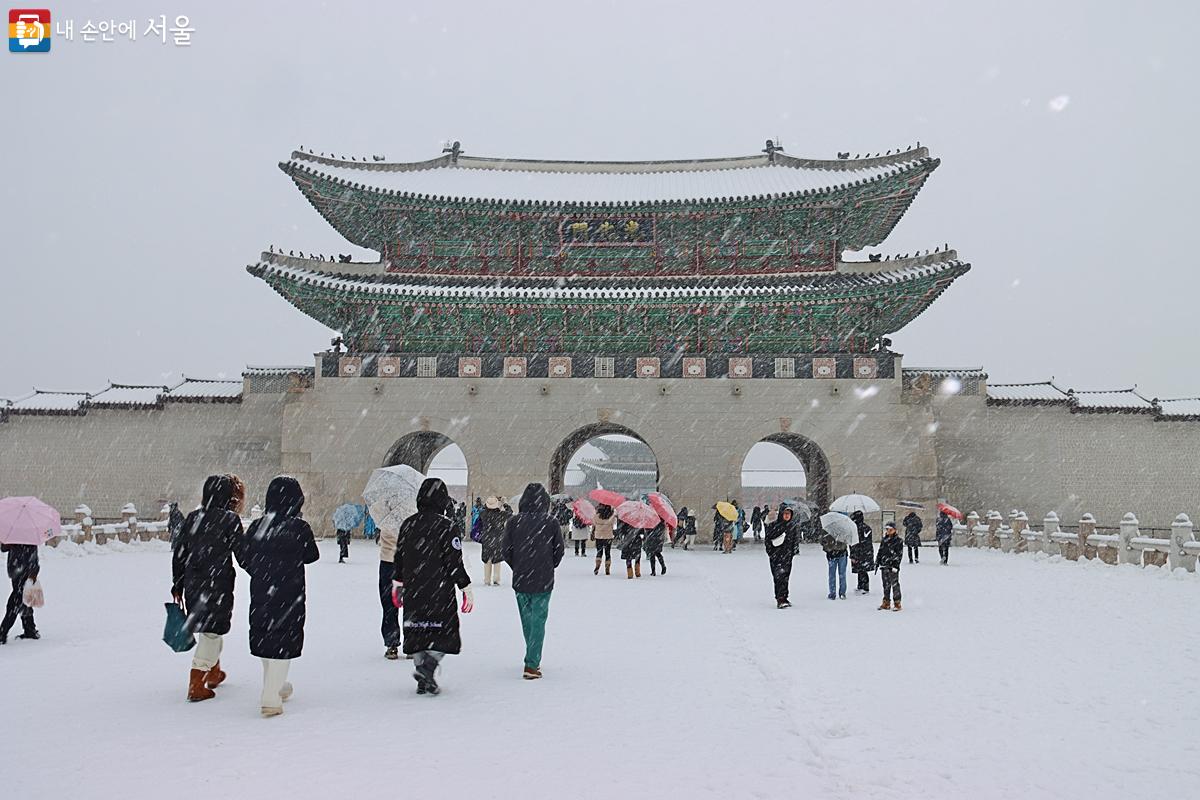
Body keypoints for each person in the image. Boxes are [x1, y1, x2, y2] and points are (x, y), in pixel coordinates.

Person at [237, 476, 320, 717]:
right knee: (284, 643)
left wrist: (259, 570)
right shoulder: (298, 527)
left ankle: (276, 685)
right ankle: (271, 697)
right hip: (290, 593)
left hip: (262, 591)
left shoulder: (257, 526)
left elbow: (243, 555)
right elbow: (312, 556)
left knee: (265, 638)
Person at [393, 478, 474, 695]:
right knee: (443, 634)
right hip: (439, 589)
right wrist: (465, 586)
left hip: (414, 589)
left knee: (418, 632)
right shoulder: (447, 526)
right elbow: (454, 562)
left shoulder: (408, 524)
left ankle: (422, 674)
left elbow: (399, 557)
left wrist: (397, 583)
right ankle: (428, 668)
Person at [170, 475, 243, 702]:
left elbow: (179, 553)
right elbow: (242, 553)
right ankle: (196, 683)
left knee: (209, 628)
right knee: (212, 632)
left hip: (193, 582)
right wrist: (262, 570)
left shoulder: (193, 518)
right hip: (218, 583)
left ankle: (213, 671)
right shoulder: (229, 520)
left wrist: (177, 583)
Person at [501, 483, 564, 679]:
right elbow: (559, 550)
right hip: (543, 579)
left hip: (521, 578)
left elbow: (506, 551)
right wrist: (548, 565)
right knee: (538, 620)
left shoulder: (513, 522)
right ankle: (532, 662)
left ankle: (531, 655)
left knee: (527, 619)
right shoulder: (551, 523)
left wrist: (518, 566)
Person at [0, 540, 40, 645]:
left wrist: (9, 543)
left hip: (20, 569)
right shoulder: (30, 533)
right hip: (25, 569)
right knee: (24, 599)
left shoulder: (15, 533)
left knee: (14, 603)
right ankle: (29, 630)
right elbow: (4, 548)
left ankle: (2, 632)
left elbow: (4, 548)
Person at [765, 506, 798, 608]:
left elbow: (794, 540)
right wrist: (771, 553)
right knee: (778, 577)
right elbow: (768, 540)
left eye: (789, 514)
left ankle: (784, 597)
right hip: (777, 557)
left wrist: (793, 552)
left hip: (787, 557)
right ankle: (780, 598)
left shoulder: (792, 526)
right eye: (785, 513)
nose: (787, 516)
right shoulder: (775, 526)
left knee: (785, 577)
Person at [479, 496, 509, 586]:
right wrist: (504, 503)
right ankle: (496, 579)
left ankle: (487, 580)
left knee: (487, 560)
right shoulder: (501, 515)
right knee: (497, 560)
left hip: (486, 539)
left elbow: (482, 509)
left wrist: (488, 503)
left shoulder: (483, 514)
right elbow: (510, 513)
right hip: (498, 539)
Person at [876, 521, 903, 611]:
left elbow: (899, 555)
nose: (888, 531)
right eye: (887, 529)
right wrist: (877, 561)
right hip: (884, 565)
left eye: (890, 530)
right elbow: (880, 551)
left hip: (893, 566)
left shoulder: (898, 541)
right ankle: (886, 602)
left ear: (895, 530)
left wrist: (896, 565)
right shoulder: (884, 540)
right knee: (885, 585)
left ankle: (897, 602)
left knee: (895, 585)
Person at [819, 521, 848, 600]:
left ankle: (833, 593)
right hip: (841, 553)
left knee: (832, 575)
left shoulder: (826, 529)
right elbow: (847, 540)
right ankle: (841, 593)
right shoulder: (844, 529)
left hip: (832, 554)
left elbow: (821, 541)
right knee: (842, 575)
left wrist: (828, 547)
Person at [849, 510, 874, 595]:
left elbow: (854, 543)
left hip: (859, 553)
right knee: (862, 570)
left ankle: (863, 587)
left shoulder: (855, 528)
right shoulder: (866, 528)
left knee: (861, 570)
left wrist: (853, 555)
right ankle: (862, 586)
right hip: (866, 553)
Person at [592, 503, 616, 575]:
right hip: (608, 536)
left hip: (599, 536)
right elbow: (614, 523)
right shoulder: (611, 515)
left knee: (599, 552)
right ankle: (607, 568)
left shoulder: (597, 515)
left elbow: (594, 523)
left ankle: (597, 566)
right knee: (607, 553)